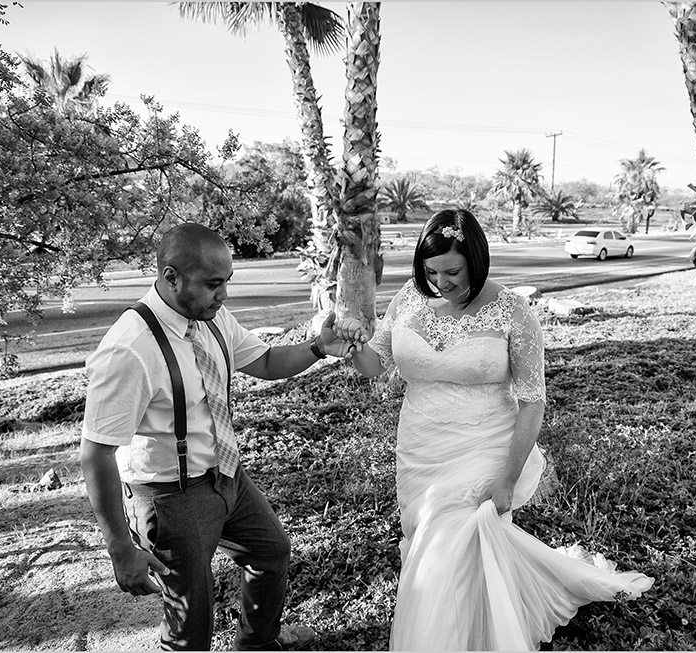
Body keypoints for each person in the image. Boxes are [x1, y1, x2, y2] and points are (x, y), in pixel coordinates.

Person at [332, 209, 654, 651]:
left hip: (485, 444)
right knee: (440, 541)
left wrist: (507, 477)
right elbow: (378, 364)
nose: (440, 282)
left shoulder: (511, 312)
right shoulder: (408, 297)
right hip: (420, 447)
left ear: (476, 261)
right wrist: (351, 348)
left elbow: (532, 401)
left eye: (452, 271)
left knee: (443, 548)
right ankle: (478, 622)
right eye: (430, 271)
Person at [80, 223, 362, 651]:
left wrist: (318, 348)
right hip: (169, 496)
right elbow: (96, 453)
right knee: (191, 622)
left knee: (271, 553)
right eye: (214, 284)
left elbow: (265, 360)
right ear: (171, 277)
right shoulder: (129, 349)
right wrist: (121, 549)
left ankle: (256, 644)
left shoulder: (210, 318)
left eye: (226, 282)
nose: (224, 294)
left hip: (227, 476)